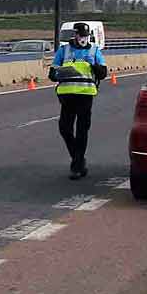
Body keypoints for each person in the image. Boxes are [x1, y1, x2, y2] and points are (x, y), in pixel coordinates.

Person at [49, 21, 108, 180]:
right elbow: (52, 74)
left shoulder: (95, 50)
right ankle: (79, 159)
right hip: (67, 95)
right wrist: (58, 73)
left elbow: (103, 74)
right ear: (74, 35)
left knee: (82, 130)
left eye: (86, 36)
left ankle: (76, 166)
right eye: (80, 35)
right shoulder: (64, 50)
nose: (83, 38)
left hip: (85, 94)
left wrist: (94, 66)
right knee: (65, 128)